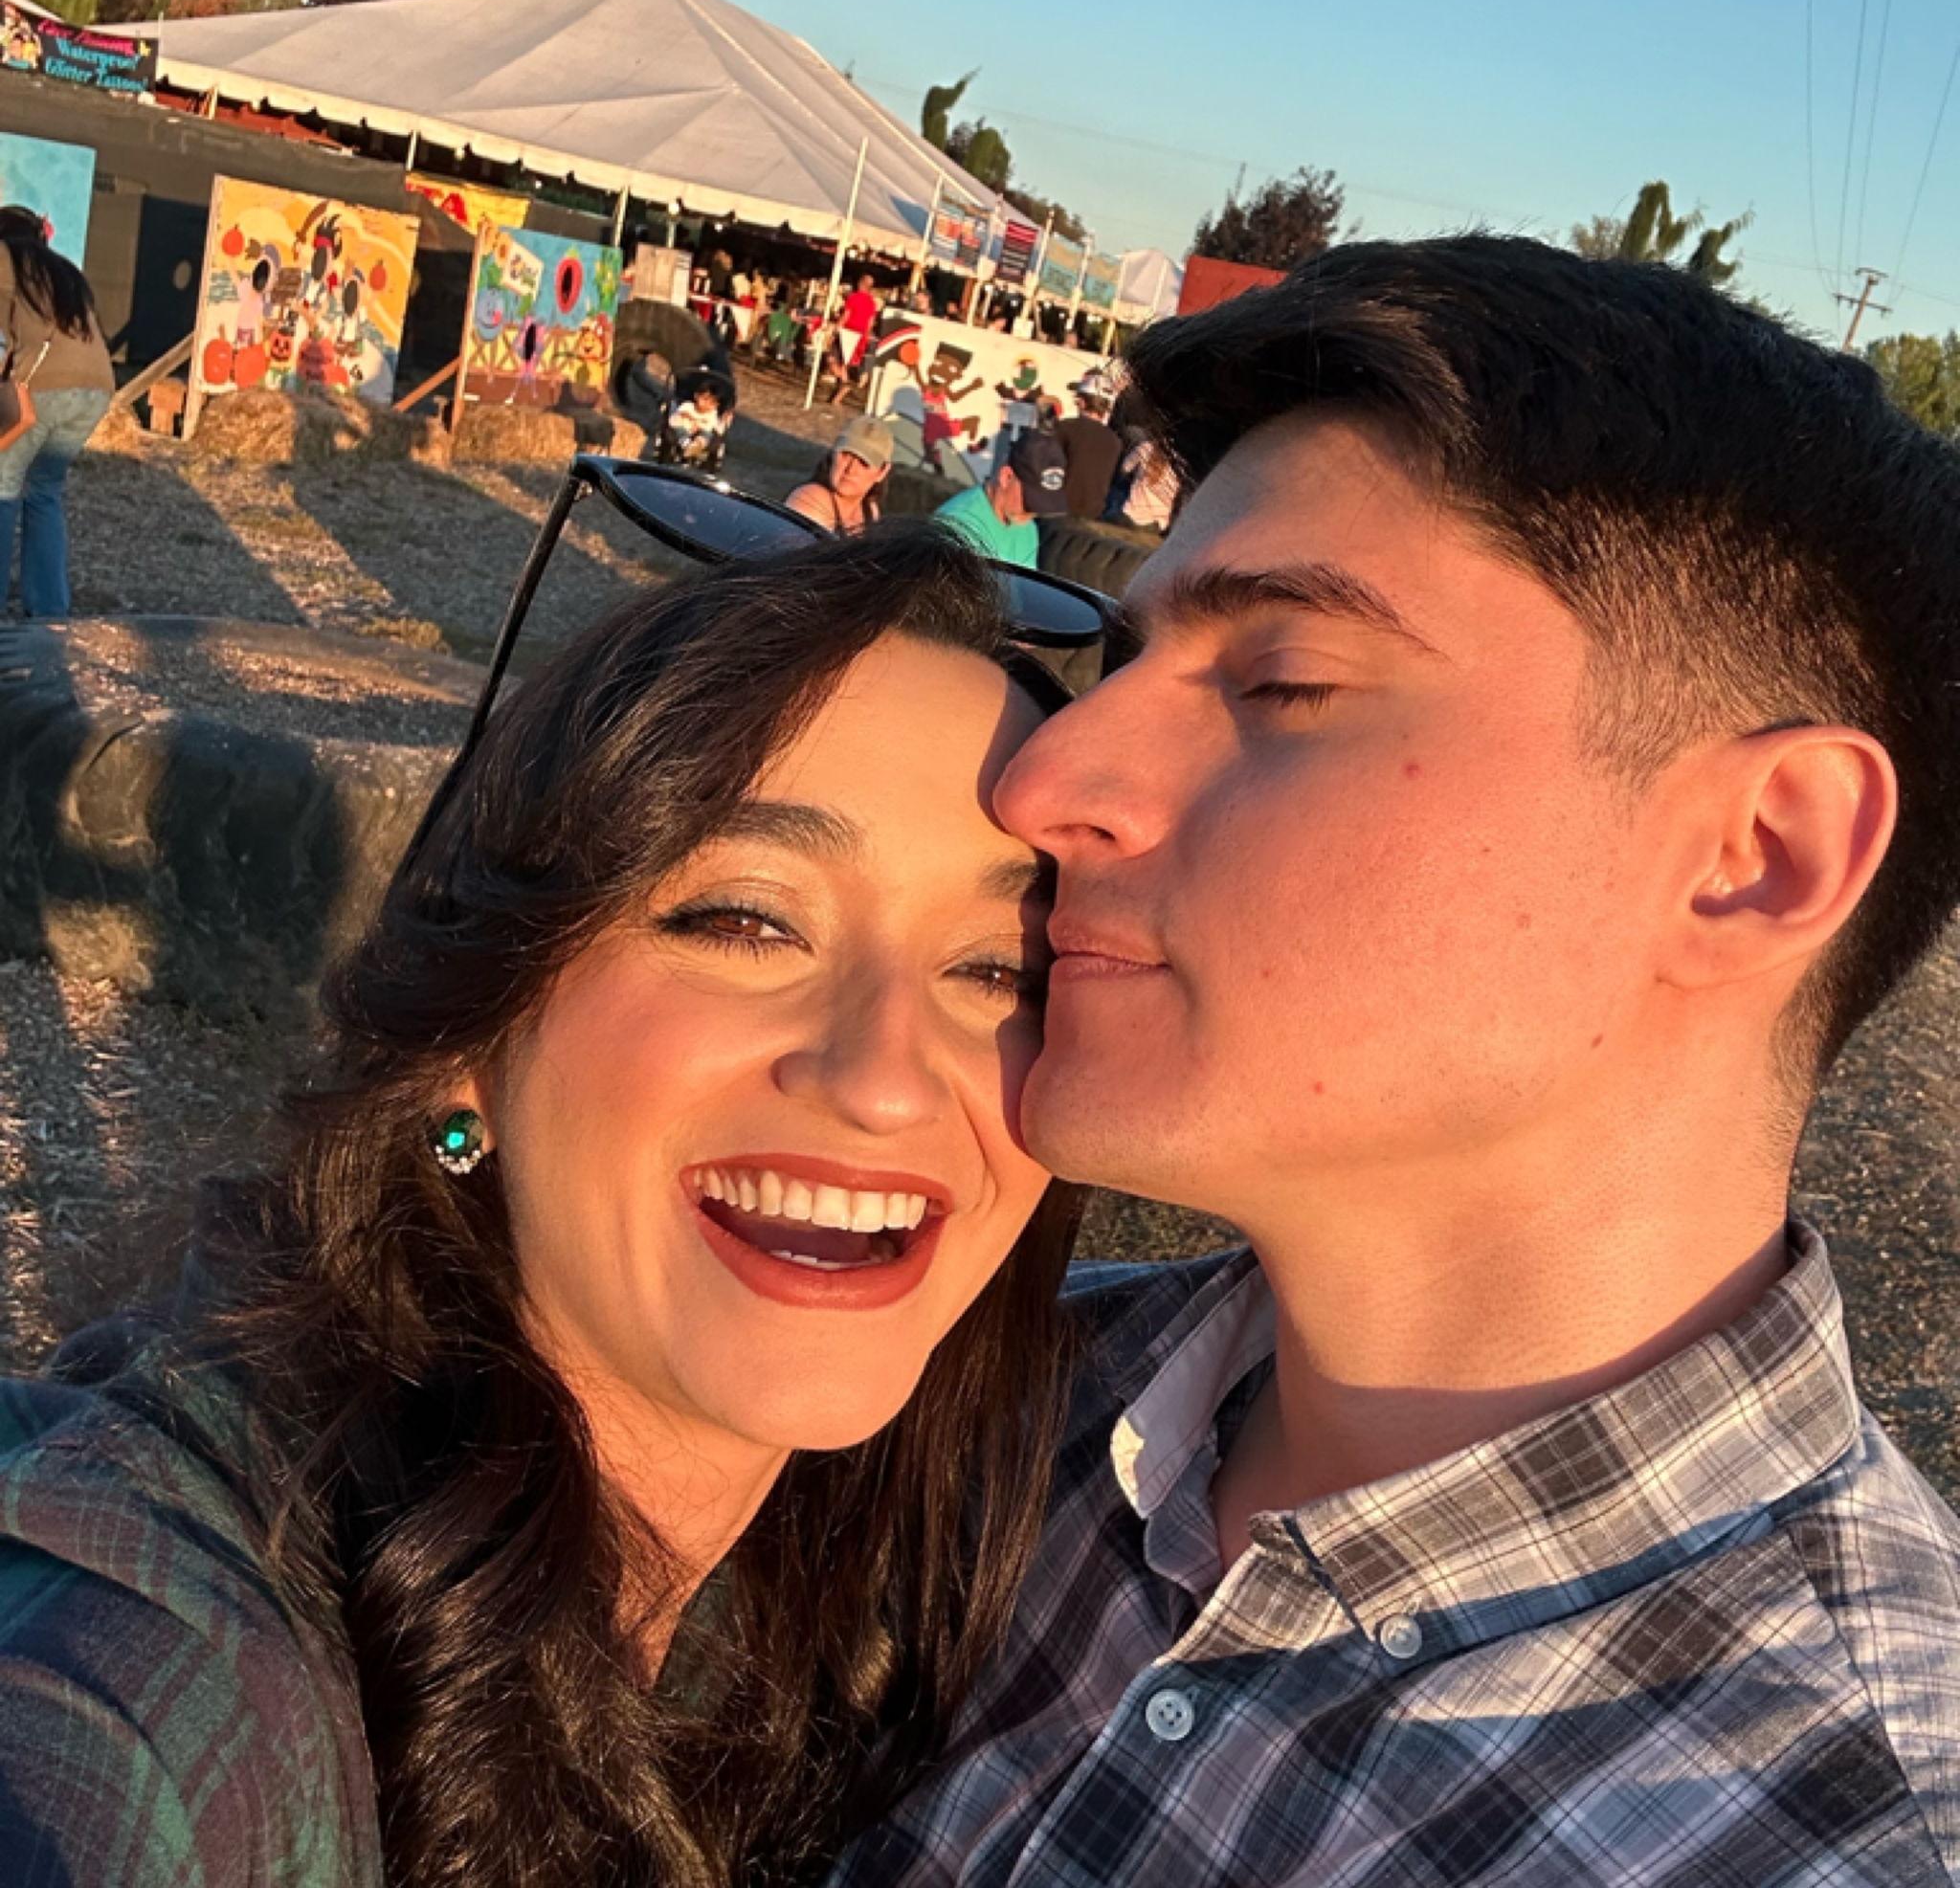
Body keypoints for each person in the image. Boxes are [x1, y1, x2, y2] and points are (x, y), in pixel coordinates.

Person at [836, 235, 1960, 1882]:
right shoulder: (973, 1391)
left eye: (1282, 680)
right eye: (1121, 662)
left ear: (1757, 855)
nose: (1044, 779)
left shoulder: (1837, 1832)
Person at [0, 528, 1082, 1886]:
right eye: (747, 920)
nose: (884, 1080)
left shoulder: (861, 1587)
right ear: (472, 1037)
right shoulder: (162, 1659)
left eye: (997, 967)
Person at [0, 206, 113, 619]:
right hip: (96, 388)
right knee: (44, 492)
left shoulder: (5, 258)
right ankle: (48, 612)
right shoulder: (63, 270)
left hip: (44, 384)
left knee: (3, 486)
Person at [933, 430, 1067, 566]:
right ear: (1006, 477)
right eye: (1029, 502)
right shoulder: (957, 527)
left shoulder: (1028, 530)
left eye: (1042, 505)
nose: (1032, 513)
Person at [786, 414, 893, 533]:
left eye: (863, 462)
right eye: (846, 455)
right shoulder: (810, 501)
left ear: (882, 472)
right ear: (833, 454)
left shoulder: (869, 511)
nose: (851, 469)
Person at [1054, 369, 1123, 520]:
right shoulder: (1115, 442)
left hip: (1057, 512)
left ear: (1082, 402)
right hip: (1092, 518)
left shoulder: (1064, 428)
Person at [827, 273, 882, 404]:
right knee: (845, 364)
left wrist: (836, 330)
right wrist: (865, 338)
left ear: (860, 284)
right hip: (859, 338)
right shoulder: (872, 303)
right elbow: (870, 323)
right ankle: (837, 398)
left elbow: (846, 316)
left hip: (846, 333)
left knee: (831, 360)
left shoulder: (853, 297)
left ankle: (845, 383)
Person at [660, 370, 729, 468]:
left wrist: (699, 426)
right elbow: (680, 414)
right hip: (685, 429)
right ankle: (687, 445)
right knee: (678, 425)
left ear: (717, 405)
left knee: (707, 434)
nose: (707, 405)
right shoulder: (688, 406)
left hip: (701, 432)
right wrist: (690, 418)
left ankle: (698, 444)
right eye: (705, 399)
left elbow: (711, 425)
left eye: (712, 403)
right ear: (696, 396)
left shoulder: (712, 413)